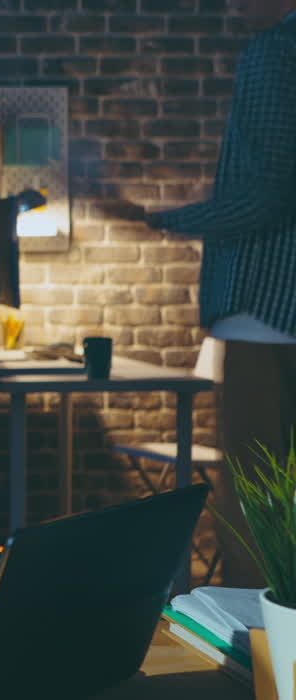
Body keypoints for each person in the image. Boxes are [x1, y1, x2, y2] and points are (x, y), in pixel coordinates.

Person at [147, 0, 296, 587]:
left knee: (257, 516)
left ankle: (258, 665)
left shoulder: (275, 53)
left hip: (266, 311)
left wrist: (161, 218)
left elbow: (264, 194)